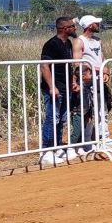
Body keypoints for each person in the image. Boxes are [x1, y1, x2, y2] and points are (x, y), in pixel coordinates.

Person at [76, 14, 112, 150]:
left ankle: (104, 139)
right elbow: (77, 62)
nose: (98, 25)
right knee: (88, 111)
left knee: (103, 109)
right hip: (87, 81)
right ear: (90, 25)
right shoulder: (79, 41)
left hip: (99, 79)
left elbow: (101, 57)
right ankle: (87, 141)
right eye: (96, 23)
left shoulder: (98, 40)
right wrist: (95, 69)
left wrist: (106, 71)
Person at [39, 16, 79, 165]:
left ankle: (57, 146)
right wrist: (51, 87)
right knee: (52, 118)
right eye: (72, 26)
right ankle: (46, 150)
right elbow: (44, 66)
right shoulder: (51, 44)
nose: (74, 29)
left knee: (61, 119)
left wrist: (73, 81)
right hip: (54, 89)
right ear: (64, 28)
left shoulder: (67, 43)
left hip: (65, 87)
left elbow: (68, 66)